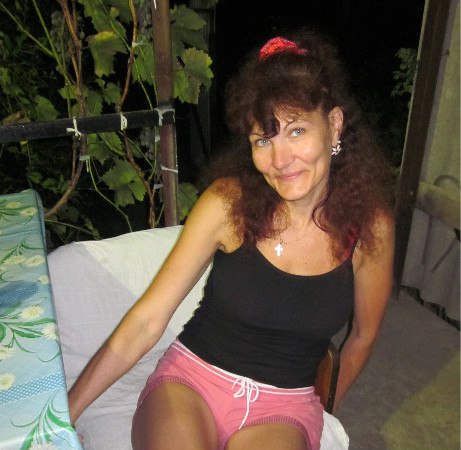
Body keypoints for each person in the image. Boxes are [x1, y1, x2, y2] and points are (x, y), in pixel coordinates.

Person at [68, 28, 395, 450]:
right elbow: (147, 321)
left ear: (333, 126)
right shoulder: (228, 203)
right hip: (190, 384)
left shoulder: (369, 227)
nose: (280, 160)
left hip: (284, 408)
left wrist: (326, 410)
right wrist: (62, 415)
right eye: (264, 139)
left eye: (297, 131)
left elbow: (364, 335)